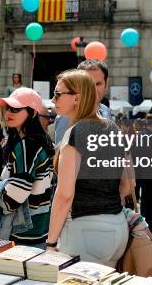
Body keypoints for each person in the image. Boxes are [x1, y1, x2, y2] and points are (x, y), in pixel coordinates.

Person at [46, 70, 128, 267]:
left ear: (77, 98)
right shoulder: (112, 128)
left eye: (58, 94)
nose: (53, 99)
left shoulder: (76, 132)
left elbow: (65, 194)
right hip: (117, 227)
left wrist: (50, 243)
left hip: (85, 229)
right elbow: (128, 183)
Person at [0, 88, 54, 246]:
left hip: (23, 231)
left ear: (33, 113)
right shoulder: (38, 141)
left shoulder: (27, 144)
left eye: (15, 109)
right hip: (38, 228)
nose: (9, 113)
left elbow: (18, 191)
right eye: (8, 108)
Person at [54, 59, 111, 144]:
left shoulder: (105, 111)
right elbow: (61, 153)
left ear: (106, 85)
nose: (93, 89)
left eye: (98, 84)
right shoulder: (67, 116)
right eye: (87, 84)